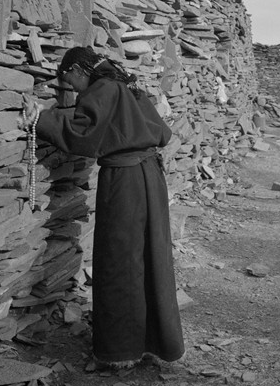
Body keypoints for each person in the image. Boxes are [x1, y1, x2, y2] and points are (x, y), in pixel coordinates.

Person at [19, 46, 185, 368]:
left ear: (79, 71)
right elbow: (156, 131)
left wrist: (40, 116)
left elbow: (84, 131)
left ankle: (121, 351)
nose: (71, 91)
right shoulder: (128, 86)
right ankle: (155, 342)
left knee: (119, 260)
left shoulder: (103, 89)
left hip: (125, 181)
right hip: (151, 176)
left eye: (69, 82)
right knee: (151, 257)